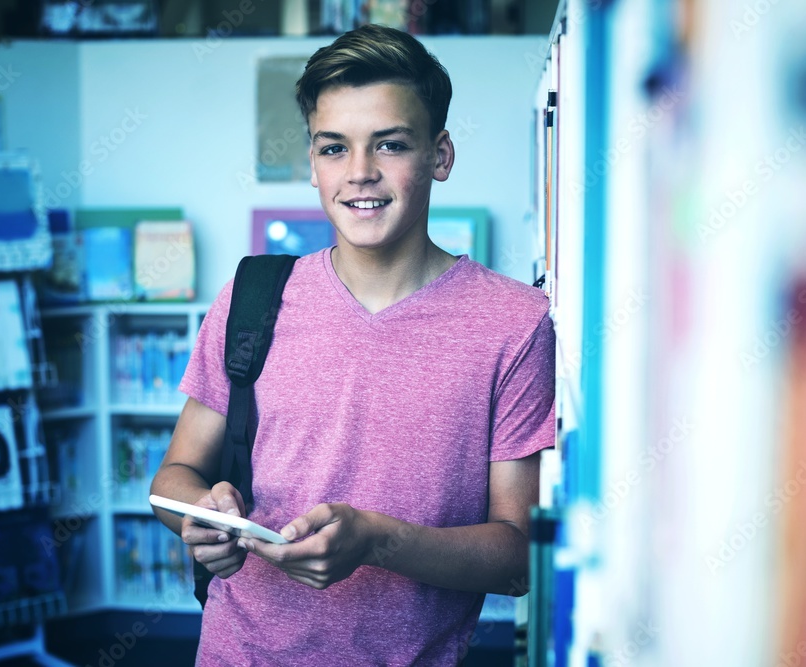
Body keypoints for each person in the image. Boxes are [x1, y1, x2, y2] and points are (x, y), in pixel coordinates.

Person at [151, 23, 555, 665]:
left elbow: (517, 559)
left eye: (389, 145)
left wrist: (376, 542)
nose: (360, 173)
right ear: (313, 163)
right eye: (334, 148)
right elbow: (174, 477)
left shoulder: (516, 322)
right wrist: (201, 516)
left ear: (440, 156)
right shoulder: (253, 295)